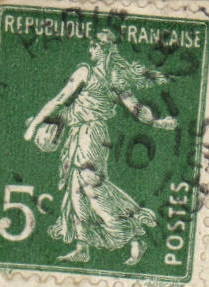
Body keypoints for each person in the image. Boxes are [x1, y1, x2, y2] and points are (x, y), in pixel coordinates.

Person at [23, 28, 179, 266]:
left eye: (94, 46)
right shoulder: (104, 74)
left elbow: (60, 100)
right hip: (78, 134)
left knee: (92, 187)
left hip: (92, 134)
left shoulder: (93, 73)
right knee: (76, 192)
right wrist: (157, 122)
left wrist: (34, 125)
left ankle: (132, 232)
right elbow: (136, 109)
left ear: (104, 49)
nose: (90, 50)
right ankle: (83, 246)